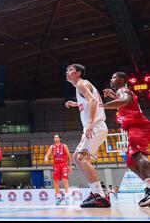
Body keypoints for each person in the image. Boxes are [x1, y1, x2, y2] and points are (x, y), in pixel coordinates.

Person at [65, 64, 110, 207]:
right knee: (76, 159)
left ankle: (100, 195)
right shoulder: (81, 86)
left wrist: (90, 122)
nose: (67, 73)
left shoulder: (81, 83)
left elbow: (93, 100)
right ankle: (95, 191)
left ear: (78, 73)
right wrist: (76, 103)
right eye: (67, 71)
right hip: (93, 126)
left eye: (70, 70)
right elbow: (87, 100)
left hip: (95, 125)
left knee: (82, 158)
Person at [102, 72, 150, 207]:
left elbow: (124, 100)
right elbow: (123, 100)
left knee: (138, 155)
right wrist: (113, 95)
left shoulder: (124, 90)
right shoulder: (121, 92)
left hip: (138, 126)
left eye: (114, 77)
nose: (111, 79)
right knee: (130, 162)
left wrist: (102, 106)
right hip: (133, 128)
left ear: (122, 79)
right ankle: (148, 186)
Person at [44, 134, 72, 205]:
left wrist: (70, 165)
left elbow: (69, 156)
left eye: (57, 137)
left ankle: (67, 197)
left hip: (64, 164)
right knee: (56, 181)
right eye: (54, 137)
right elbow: (47, 154)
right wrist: (46, 158)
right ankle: (58, 197)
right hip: (56, 165)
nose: (56, 138)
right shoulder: (52, 146)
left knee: (65, 180)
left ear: (60, 139)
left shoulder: (64, 146)